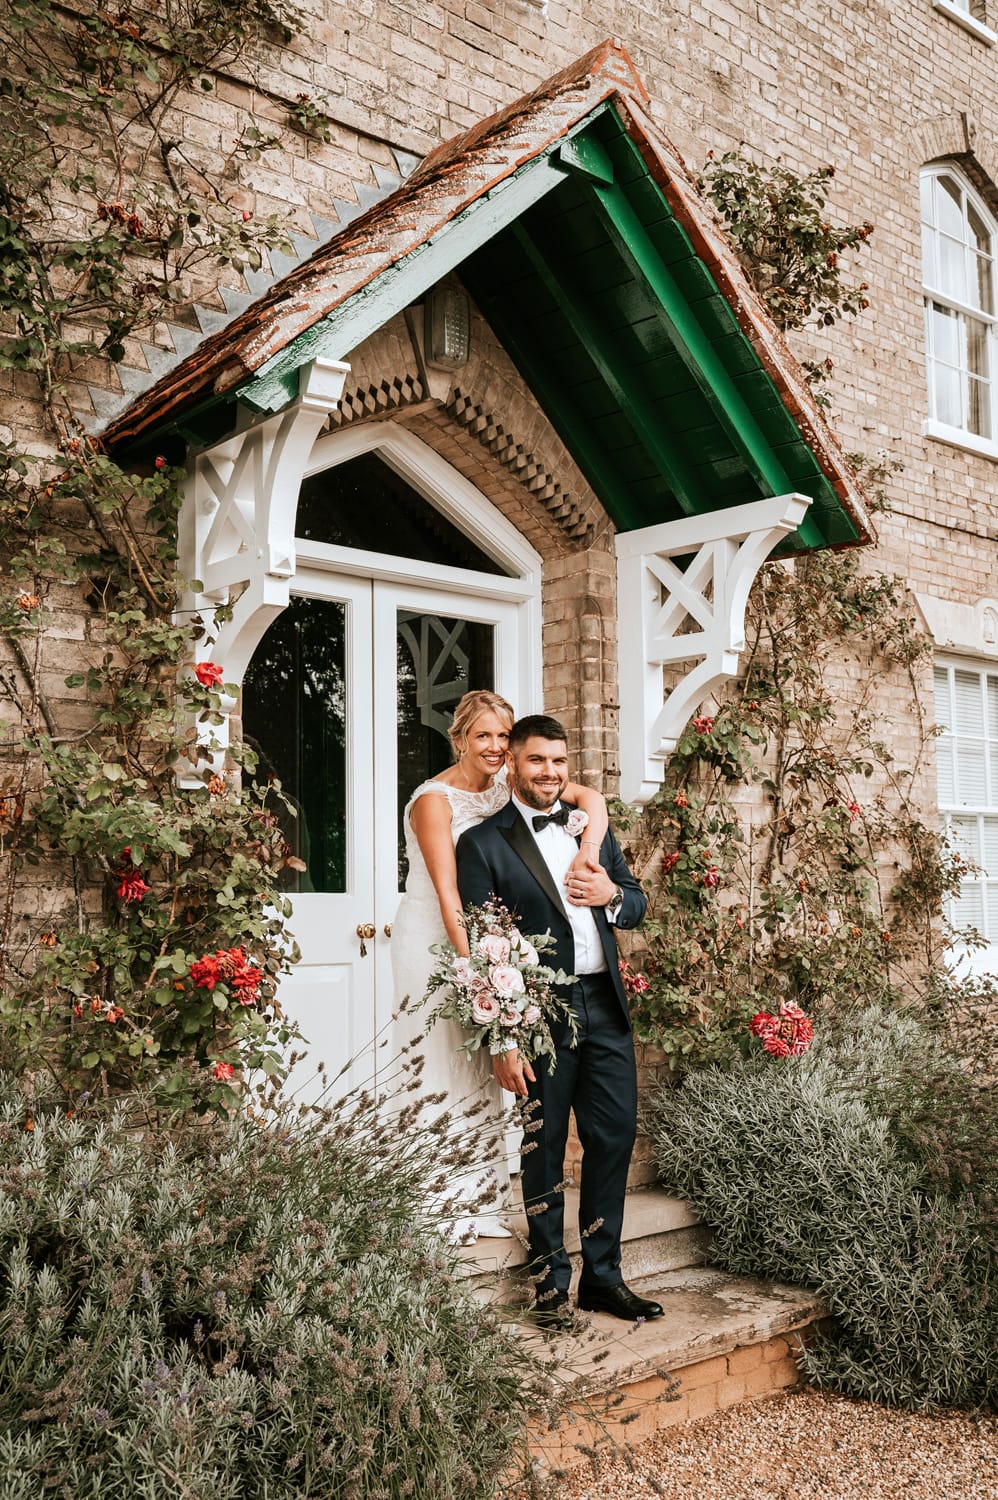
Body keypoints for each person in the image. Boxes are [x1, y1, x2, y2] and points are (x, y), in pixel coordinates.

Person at [455, 714, 663, 1327]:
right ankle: (550, 1284)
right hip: (539, 1014)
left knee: (613, 1138)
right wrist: (502, 1039)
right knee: (543, 1148)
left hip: (605, 1005)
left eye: (559, 763)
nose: (550, 773)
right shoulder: (483, 844)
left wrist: (612, 898)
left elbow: (635, 900)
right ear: (512, 765)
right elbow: (481, 945)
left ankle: (603, 1279)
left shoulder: (588, 829)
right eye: (537, 761)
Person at [391, 690, 609, 1242]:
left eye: (502, 737)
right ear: (459, 738)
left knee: (484, 1070)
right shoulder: (434, 802)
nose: (493, 747)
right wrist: (486, 985)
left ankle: (480, 1199)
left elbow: (593, 798)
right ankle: (432, 1204)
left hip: (495, 942)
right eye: (481, 736)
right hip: (438, 939)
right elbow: (449, 899)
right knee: (440, 1060)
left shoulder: (505, 786)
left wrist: (591, 850)